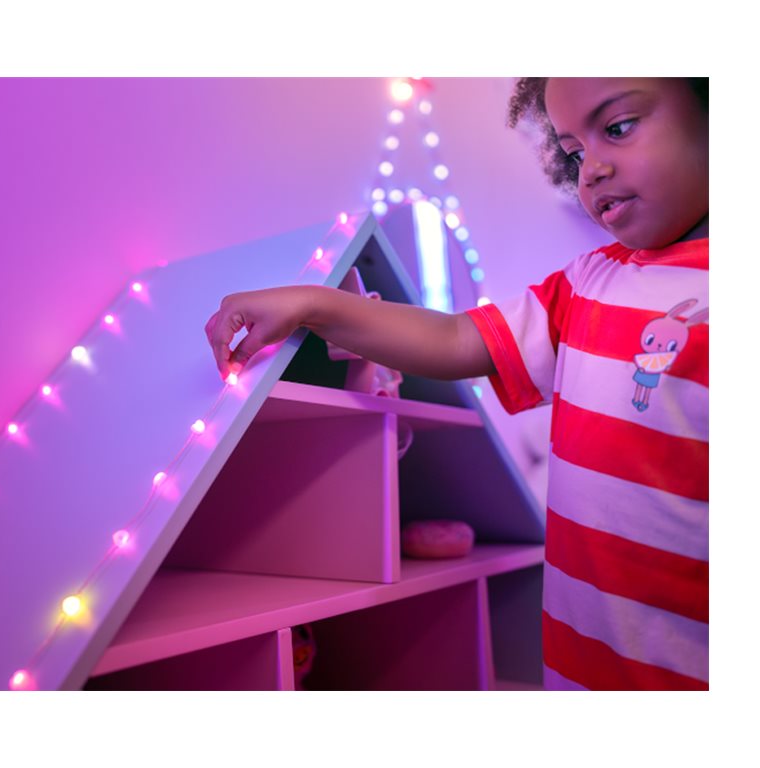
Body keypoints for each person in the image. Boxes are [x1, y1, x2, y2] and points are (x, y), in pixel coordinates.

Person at [204, 78, 709, 690]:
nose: (593, 170)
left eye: (619, 128)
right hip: (580, 668)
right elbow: (455, 340)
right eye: (574, 152)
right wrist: (315, 303)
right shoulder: (587, 283)